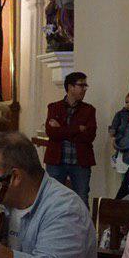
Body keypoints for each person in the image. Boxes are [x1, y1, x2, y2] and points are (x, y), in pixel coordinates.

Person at [43, 71, 96, 206]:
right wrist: (77, 129)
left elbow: (89, 136)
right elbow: (51, 133)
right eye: (81, 85)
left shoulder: (89, 110)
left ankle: (82, 227)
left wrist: (62, 128)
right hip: (57, 160)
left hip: (80, 160)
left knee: (82, 197)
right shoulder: (54, 107)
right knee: (52, 196)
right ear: (71, 87)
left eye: (85, 86)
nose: (84, 89)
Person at [108, 91, 129, 172]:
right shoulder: (121, 114)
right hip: (122, 143)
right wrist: (113, 133)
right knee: (124, 171)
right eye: (126, 102)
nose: (128, 104)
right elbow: (114, 125)